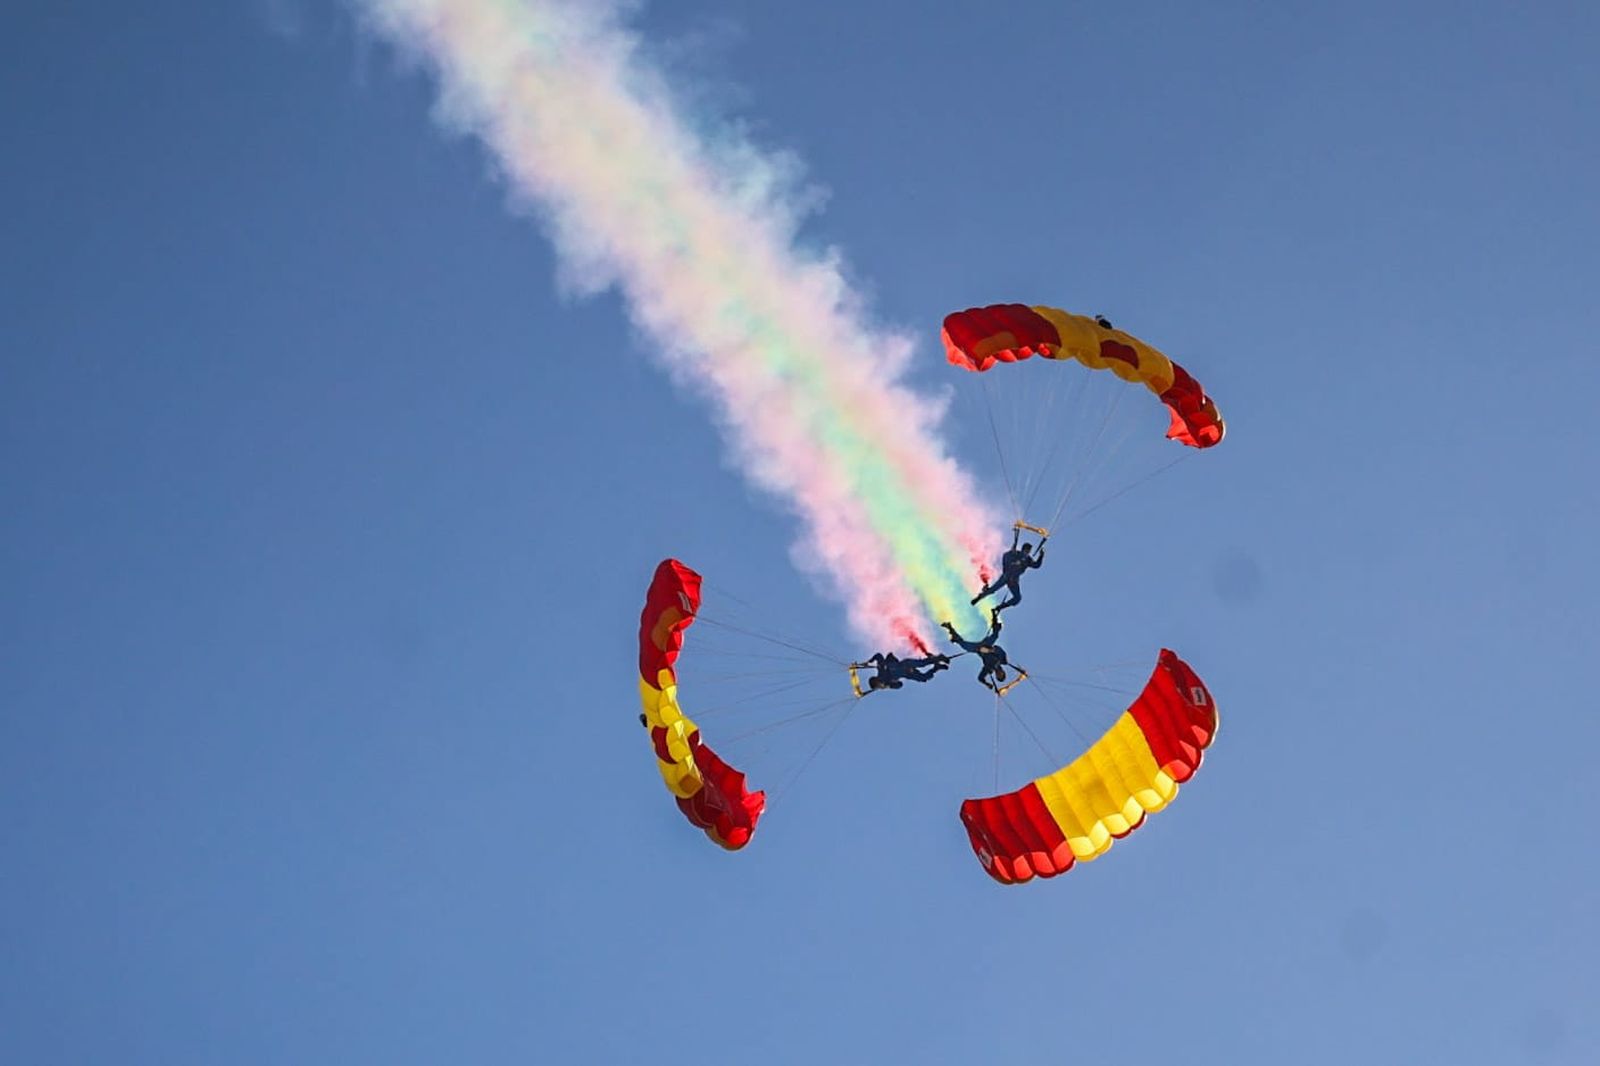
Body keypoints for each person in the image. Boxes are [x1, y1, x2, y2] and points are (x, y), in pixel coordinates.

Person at [971, 526, 1045, 612]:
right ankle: (979, 597)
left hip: (1013, 581)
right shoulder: (1016, 554)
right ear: (1024, 549)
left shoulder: (1028, 560)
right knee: (993, 589)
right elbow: (1007, 555)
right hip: (1007, 576)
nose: (1028, 553)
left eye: (1029, 551)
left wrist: (1041, 555)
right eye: (1027, 551)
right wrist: (1016, 535)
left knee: (1017, 598)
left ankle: (999, 607)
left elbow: (1036, 565)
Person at [941, 611, 1014, 692]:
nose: (998, 674)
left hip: (978, 649)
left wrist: (987, 684)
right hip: (987, 644)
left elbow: (980, 678)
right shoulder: (1003, 661)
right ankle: (994, 617)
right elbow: (999, 649)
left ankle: (950, 628)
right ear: (1004, 672)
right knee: (995, 635)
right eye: (1001, 675)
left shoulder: (989, 669)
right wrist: (991, 650)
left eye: (998, 676)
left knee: (964, 645)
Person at [859, 651, 951, 692]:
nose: (880, 687)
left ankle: (939, 657)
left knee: (922, 663)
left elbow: (879, 656)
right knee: (923, 678)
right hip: (907, 673)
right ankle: (936, 668)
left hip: (906, 664)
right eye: (879, 687)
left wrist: (869, 661)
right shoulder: (887, 683)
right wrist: (889, 686)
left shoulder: (881, 670)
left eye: (878, 686)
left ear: (876, 681)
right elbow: (900, 685)